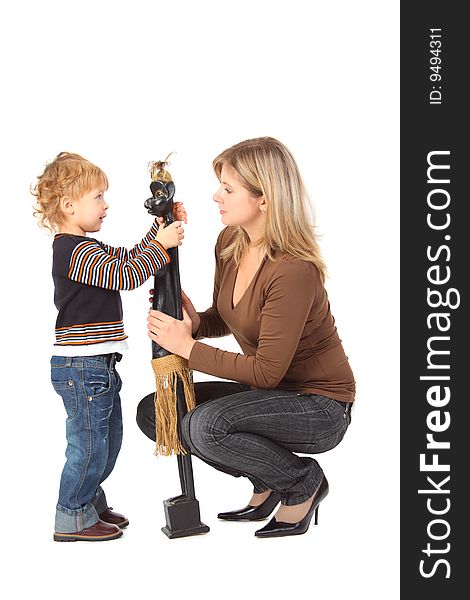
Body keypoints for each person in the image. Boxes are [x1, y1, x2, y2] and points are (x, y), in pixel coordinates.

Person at [137, 137, 355, 538]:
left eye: (228, 188)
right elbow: (227, 316)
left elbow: (268, 371)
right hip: (266, 396)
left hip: (319, 406)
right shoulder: (231, 242)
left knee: (205, 427)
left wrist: (187, 347)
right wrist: (194, 323)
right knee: (157, 411)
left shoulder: (293, 270)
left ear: (265, 200)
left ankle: (302, 482)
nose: (215, 194)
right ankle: (267, 477)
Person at [32, 152, 186, 542]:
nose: (106, 205)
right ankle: (72, 515)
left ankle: (89, 501)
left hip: (98, 365)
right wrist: (163, 245)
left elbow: (132, 257)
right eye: (98, 197)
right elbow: (126, 274)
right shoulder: (72, 251)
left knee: (107, 440)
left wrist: (159, 230)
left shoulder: (89, 246)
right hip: (81, 367)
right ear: (69, 205)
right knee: (87, 444)